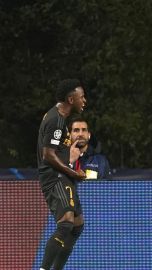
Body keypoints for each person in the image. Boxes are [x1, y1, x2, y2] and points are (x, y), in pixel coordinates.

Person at [37, 79, 87, 270]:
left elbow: (57, 150)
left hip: (63, 175)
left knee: (77, 225)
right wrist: (72, 171)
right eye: (81, 97)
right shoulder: (56, 120)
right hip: (55, 177)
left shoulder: (59, 117)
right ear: (70, 98)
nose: (84, 100)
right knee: (66, 222)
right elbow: (48, 155)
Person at [69, 115, 112, 179]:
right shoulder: (58, 158)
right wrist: (70, 163)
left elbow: (107, 187)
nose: (80, 134)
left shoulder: (101, 161)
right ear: (69, 135)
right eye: (76, 130)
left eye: (84, 130)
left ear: (89, 135)